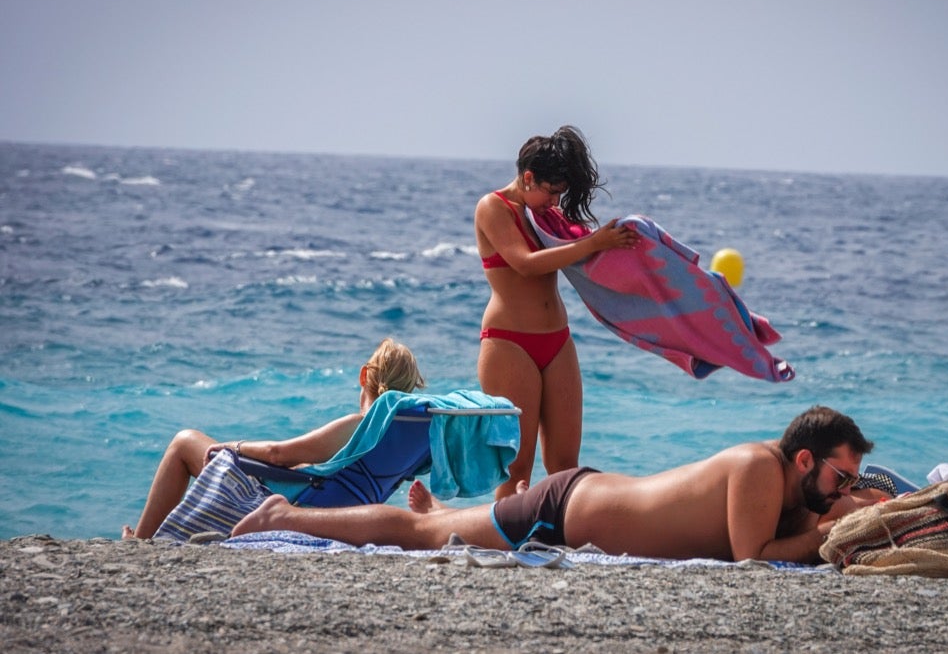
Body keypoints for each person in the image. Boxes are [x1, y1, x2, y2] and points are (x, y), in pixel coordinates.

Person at [232, 405, 875, 564]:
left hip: (583, 499)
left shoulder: (790, 493)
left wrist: (852, 509)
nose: (842, 486)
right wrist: (837, 526)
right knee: (421, 535)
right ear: (803, 459)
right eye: (839, 474)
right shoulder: (758, 467)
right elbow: (754, 558)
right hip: (564, 510)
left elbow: (796, 537)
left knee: (443, 525)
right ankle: (284, 515)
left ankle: (452, 511)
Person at [122, 337, 425, 539]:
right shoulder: (405, 443)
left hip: (290, 507)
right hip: (340, 520)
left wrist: (232, 447)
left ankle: (141, 541)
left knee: (184, 442)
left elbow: (277, 454)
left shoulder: (358, 426)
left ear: (364, 376)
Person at [475, 125, 639, 498]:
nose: (553, 202)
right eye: (550, 192)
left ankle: (556, 529)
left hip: (558, 341)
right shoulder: (493, 207)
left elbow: (584, 261)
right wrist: (593, 243)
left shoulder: (545, 215)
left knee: (565, 465)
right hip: (509, 344)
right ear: (527, 178)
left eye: (559, 195)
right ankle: (508, 531)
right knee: (516, 468)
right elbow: (525, 263)